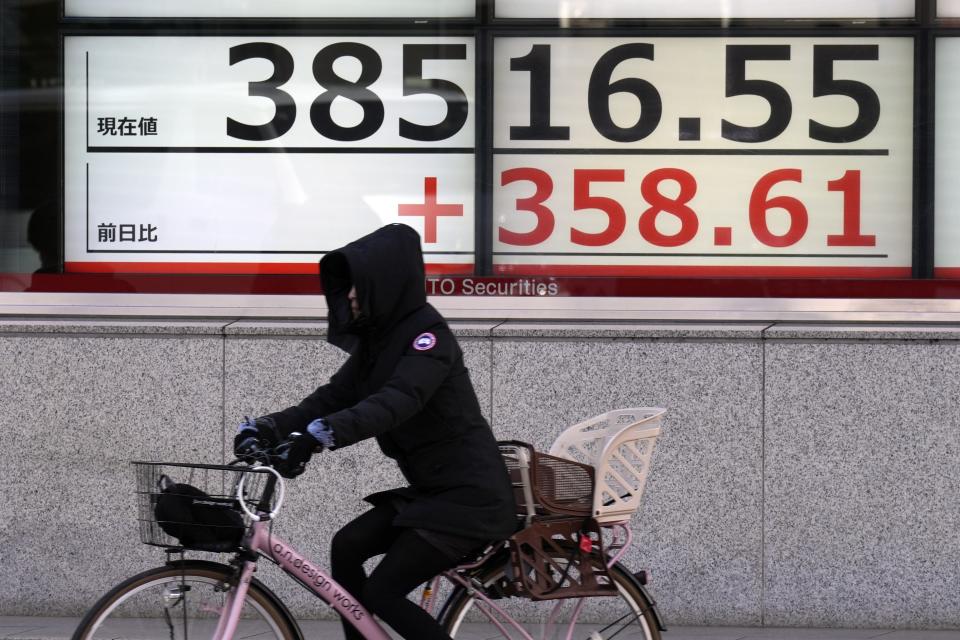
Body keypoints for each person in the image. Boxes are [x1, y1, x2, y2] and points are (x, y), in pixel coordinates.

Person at [234, 223, 517, 640]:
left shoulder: (429, 339)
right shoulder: (379, 344)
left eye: (358, 286)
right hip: (432, 494)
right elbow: (331, 397)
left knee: (383, 590)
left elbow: (397, 400)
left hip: (470, 501)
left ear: (384, 284)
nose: (349, 295)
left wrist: (319, 436)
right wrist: (268, 427)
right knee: (346, 545)